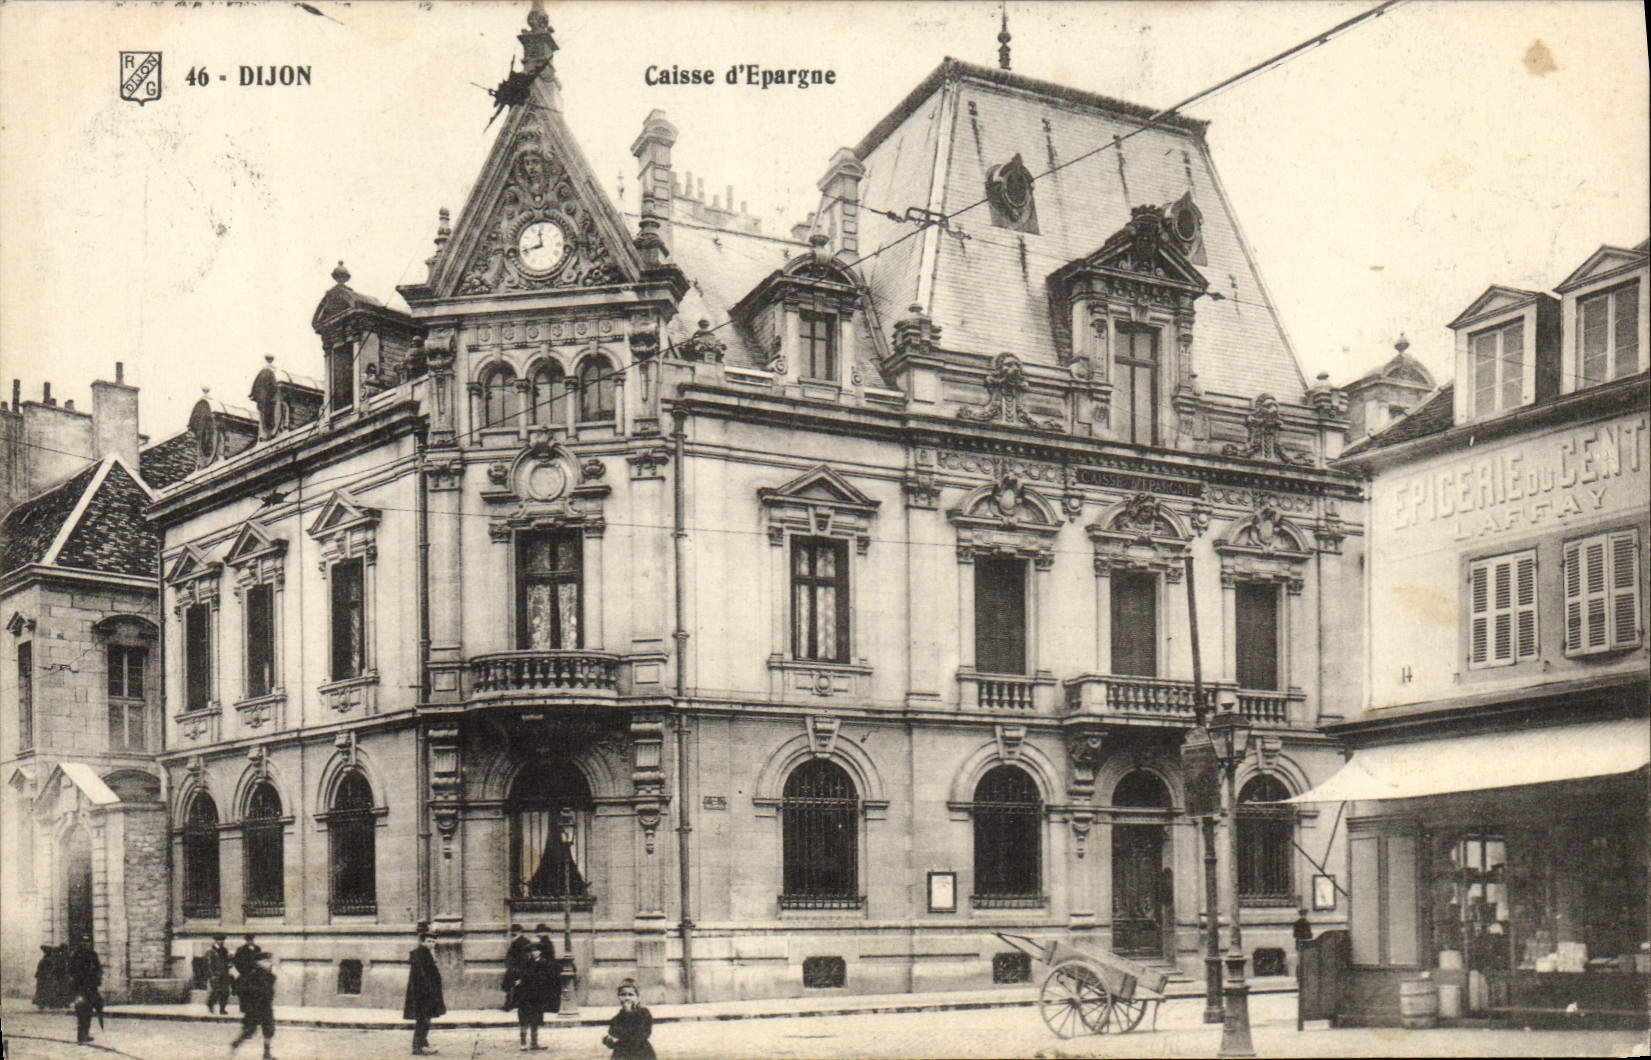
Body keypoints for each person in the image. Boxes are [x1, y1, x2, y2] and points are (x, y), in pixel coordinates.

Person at [513, 942, 562, 1051]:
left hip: (537, 996)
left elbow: (547, 978)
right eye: (532, 951)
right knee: (523, 1019)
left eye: (536, 950)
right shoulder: (525, 963)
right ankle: (523, 1043)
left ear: (540, 952)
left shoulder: (544, 963)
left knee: (535, 1019)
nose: (534, 953)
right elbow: (519, 975)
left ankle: (534, 1043)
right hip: (525, 996)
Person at [404, 930, 446, 1056]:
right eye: (429, 941)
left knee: (424, 1019)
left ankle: (423, 1043)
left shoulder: (425, 953)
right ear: (423, 941)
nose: (431, 943)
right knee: (423, 1020)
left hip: (425, 993)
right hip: (423, 994)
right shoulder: (420, 954)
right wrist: (429, 992)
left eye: (433, 941)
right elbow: (422, 976)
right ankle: (418, 1047)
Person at [230, 950, 277, 1059]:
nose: (269, 963)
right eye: (266, 961)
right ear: (258, 962)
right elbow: (240, 988)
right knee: (249, 1030)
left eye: (269, 961)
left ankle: (266, 1054)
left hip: (266, 1007)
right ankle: (236, 1044)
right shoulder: (252, 974)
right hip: (255, 1008)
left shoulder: (268, 973)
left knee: (269, 1029)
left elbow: (270, 985)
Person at [601, 979, 655, 1060]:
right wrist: (608, 1041)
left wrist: (628, 1013)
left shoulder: (643, 1013)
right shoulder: (617, 1018)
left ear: (638, 997)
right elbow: (614, 1035)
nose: (626, 998)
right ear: (618, 997)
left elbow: (642, 1034)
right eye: (623, 995)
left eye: (631, 995)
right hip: (622, 1054)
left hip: (641, 1053)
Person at [67, 933, 103, 1046]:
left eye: (88, 942)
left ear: (90, 943)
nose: (86, 944)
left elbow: (98, 969)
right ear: (81, 943)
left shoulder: (93, 955)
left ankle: (85, 1034)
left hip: (91, 988)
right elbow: (71, 971)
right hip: (80, 989)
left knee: (89, 1012)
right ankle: (81, 1036)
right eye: (84, 942)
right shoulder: (76, 955)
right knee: (81, 1011)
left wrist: (97, 979)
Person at [501, 925, 533, 1012]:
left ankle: (511, 1005)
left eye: (513, 932)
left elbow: (523, 958)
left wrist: (517, 969)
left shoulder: (523, 942)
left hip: (517, 969)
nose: (512, 933)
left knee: (514, 986)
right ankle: (510, 1004)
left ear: (519, 932)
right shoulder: (517, 941)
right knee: (511, 986)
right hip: (514, 968)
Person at [207, 933, 234, 1015]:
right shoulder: (211, 951)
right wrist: (211, 975)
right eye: (219, 940)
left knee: (225, 992)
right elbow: (208, 964)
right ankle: (210, 1004)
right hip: (216, 975)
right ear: (215, 940)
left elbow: (227, 962)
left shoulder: (225, 950)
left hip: (225, 974)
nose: (221, 942)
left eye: (222, 940)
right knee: (216, 991)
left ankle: (222, 1009)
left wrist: (230, 962)